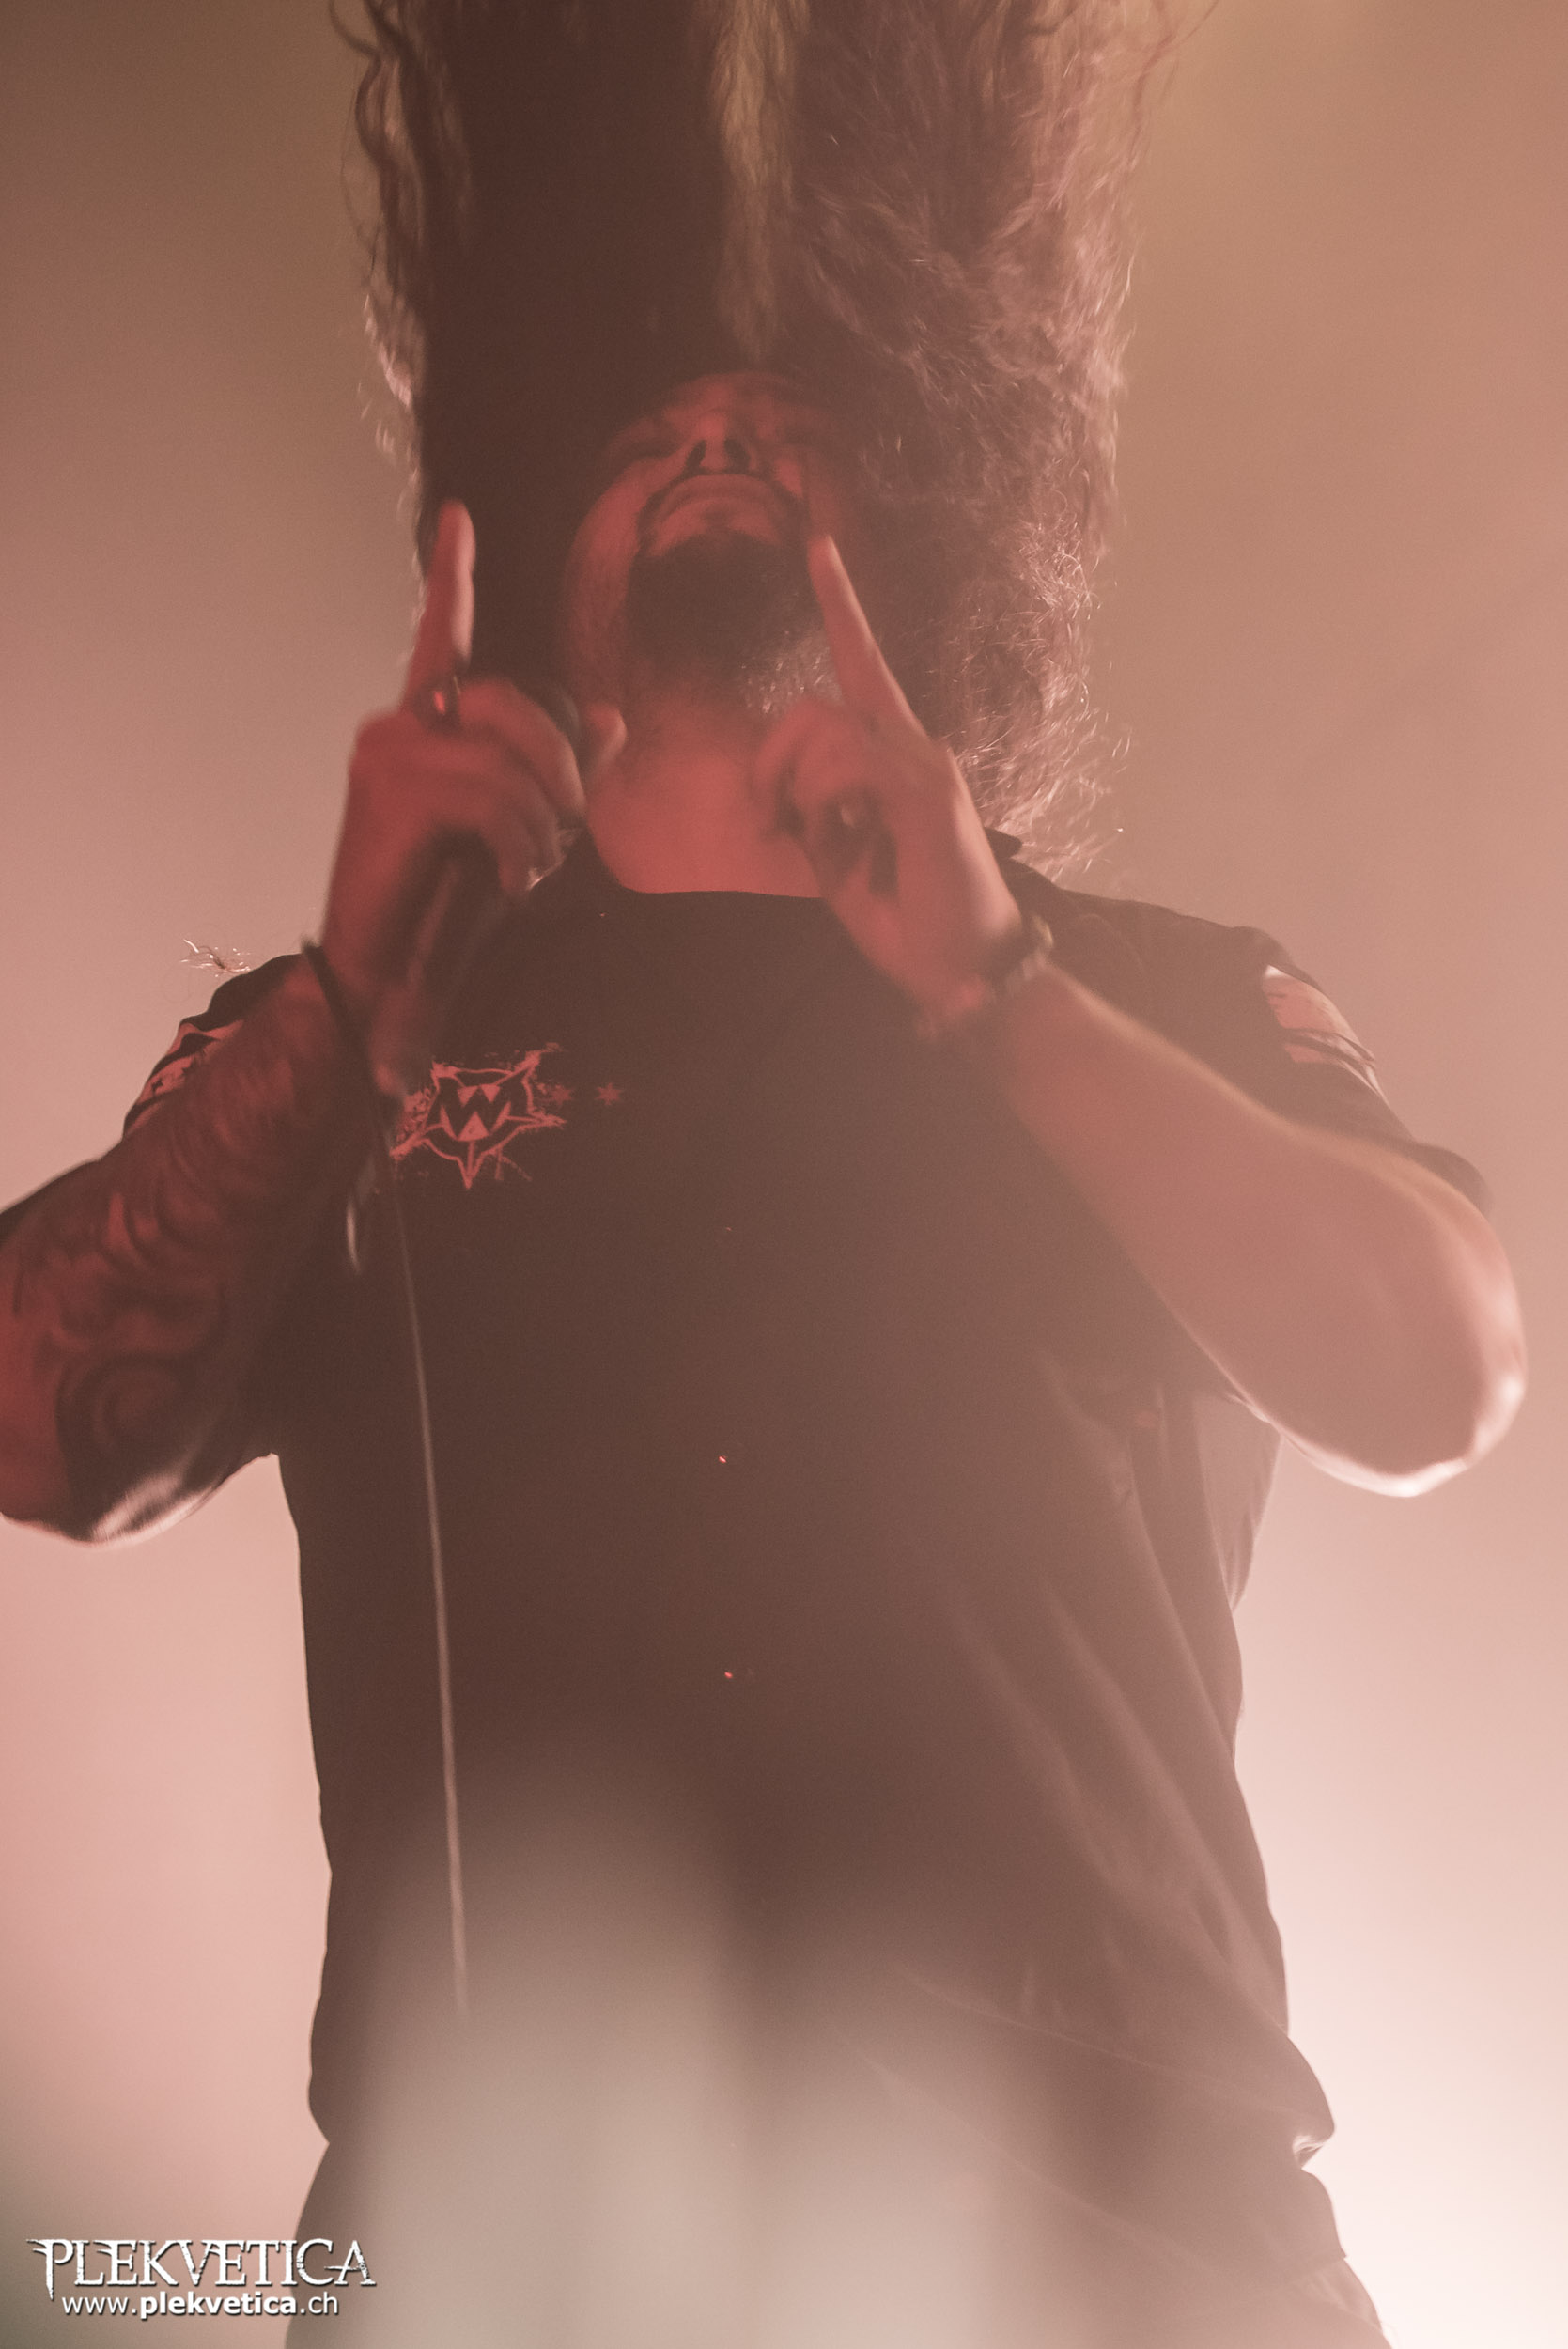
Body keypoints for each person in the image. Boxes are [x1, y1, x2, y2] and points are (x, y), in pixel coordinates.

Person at [0, 8, 1526, 2345]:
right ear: (531, 547)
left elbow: (1440, 1372)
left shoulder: (1149, 981)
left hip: (1123, 2247)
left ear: (934, 528)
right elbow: (39, 1420)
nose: (714, 438)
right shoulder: (353, 1034)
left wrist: (999, 991)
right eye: (651, 435)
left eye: (787, 433)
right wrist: (347, 997)